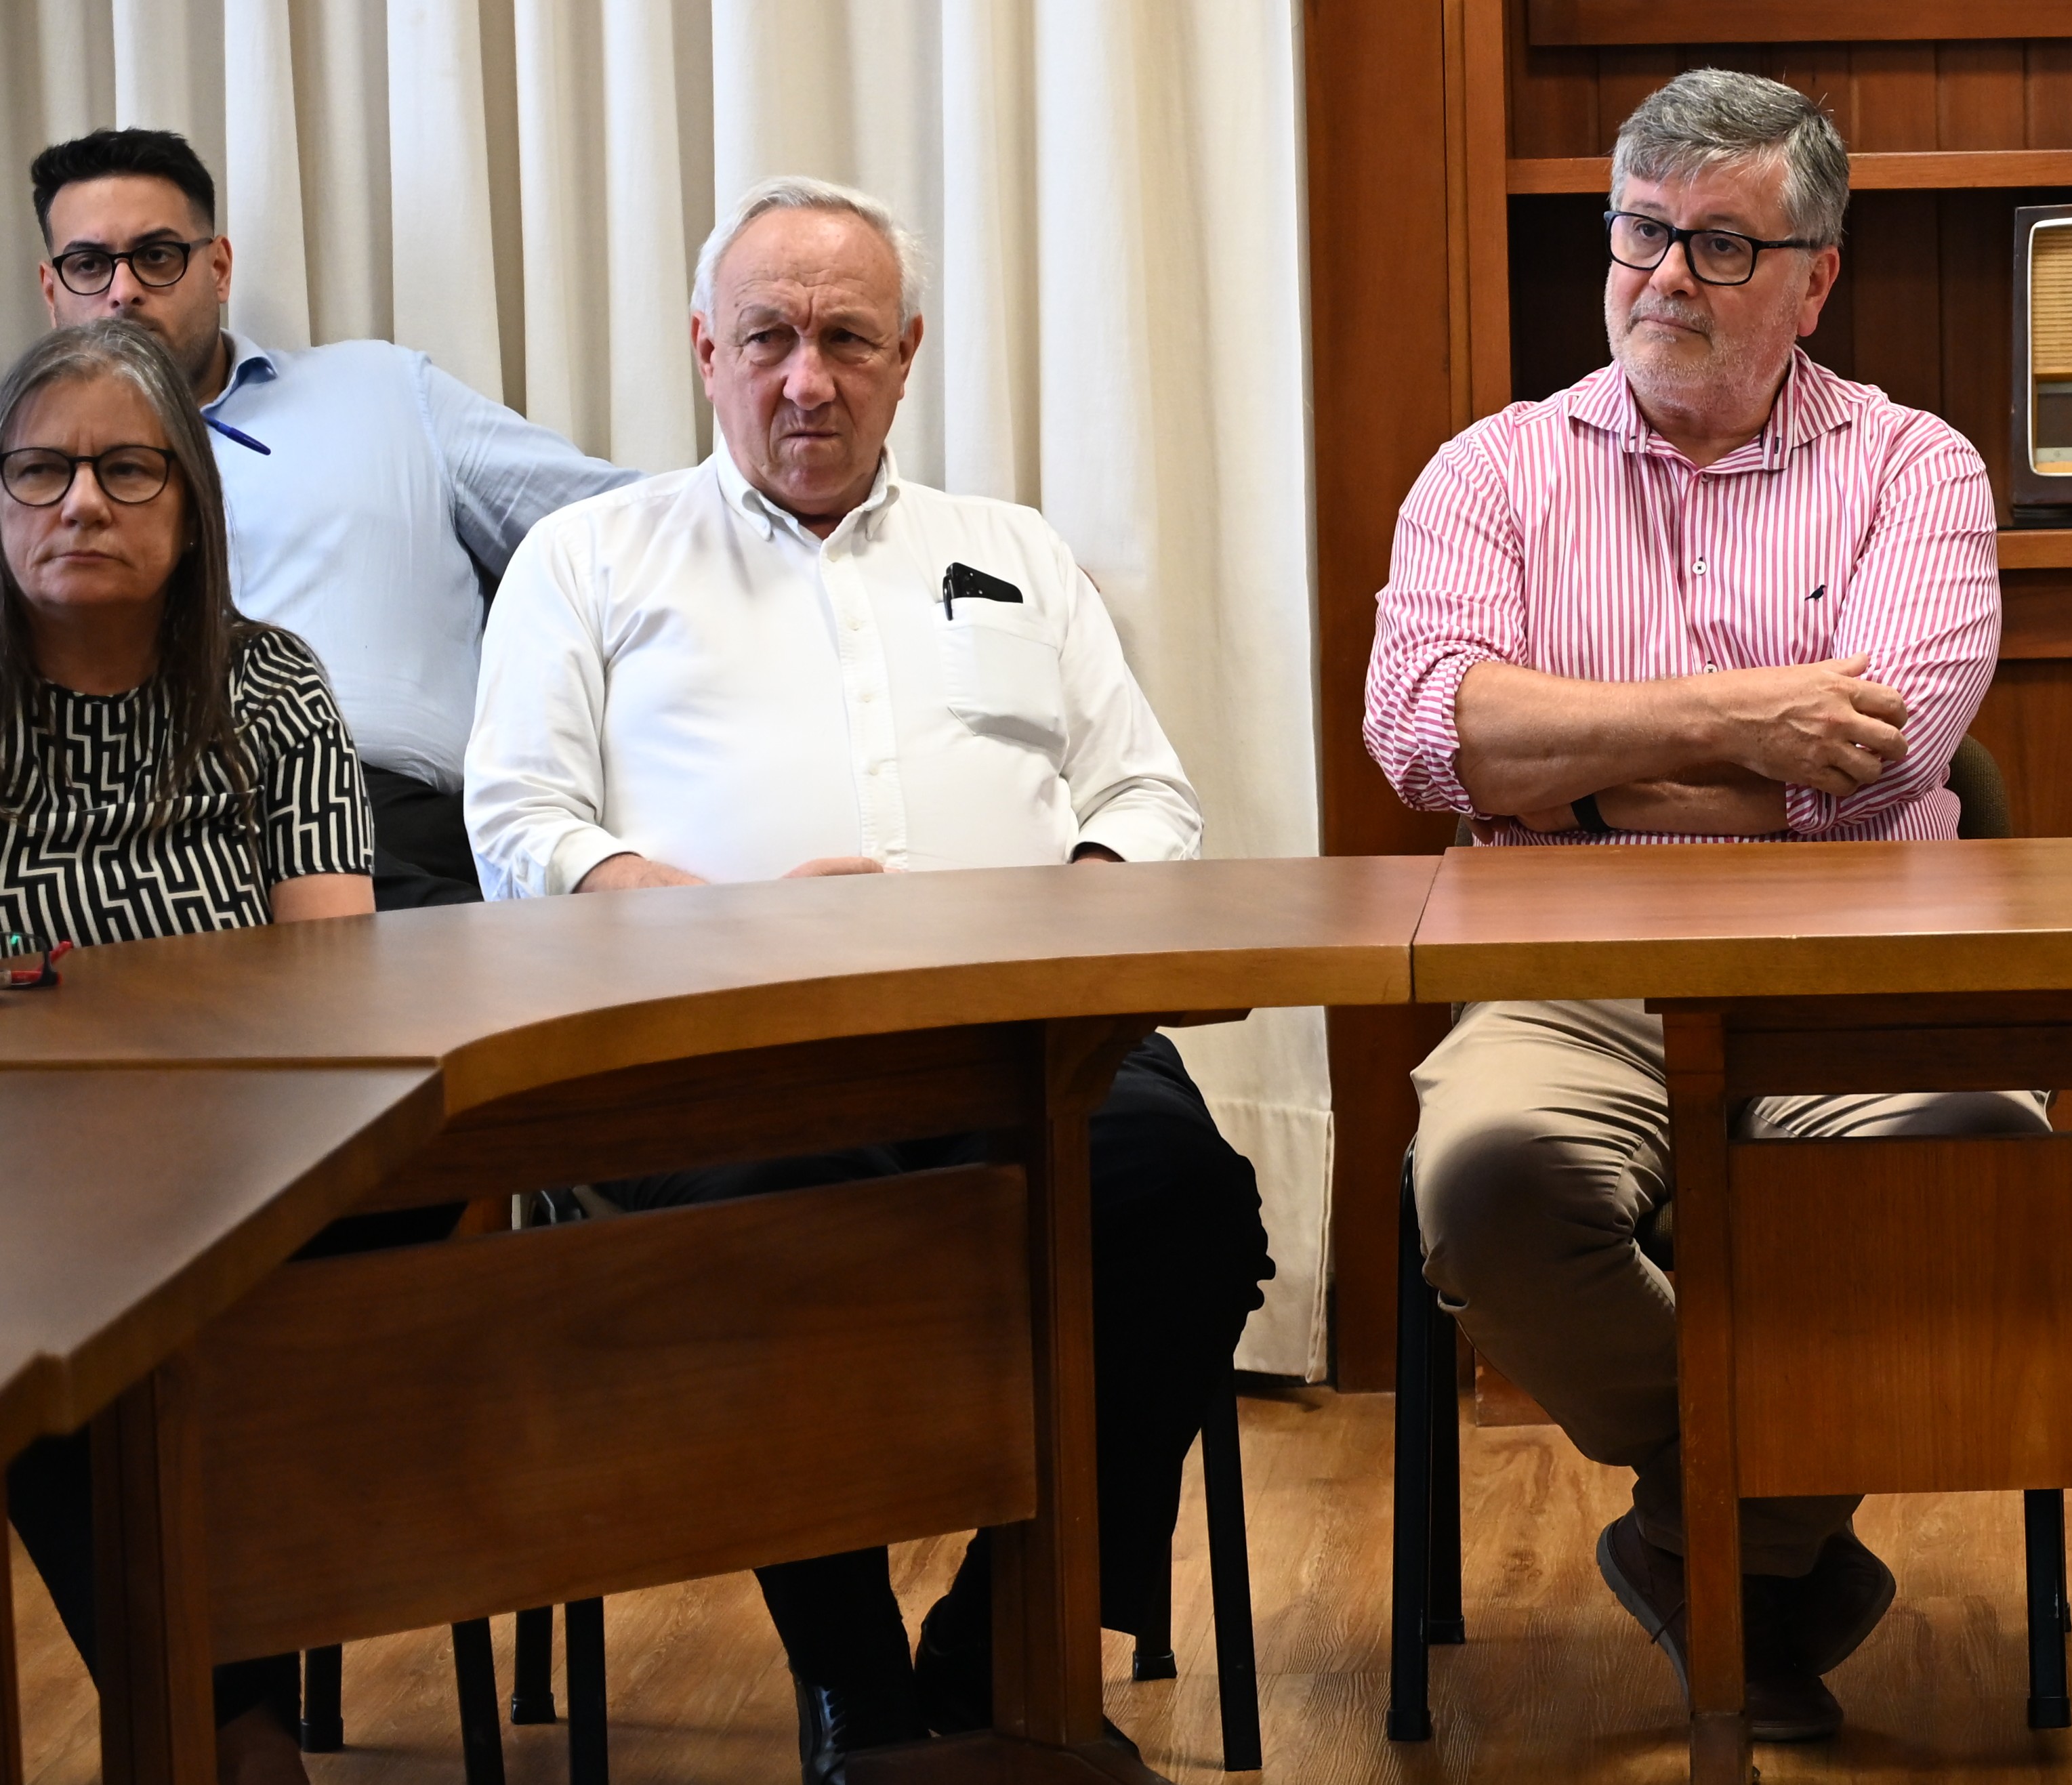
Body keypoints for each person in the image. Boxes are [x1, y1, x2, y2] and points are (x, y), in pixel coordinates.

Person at [463, 176, 1270, 1782]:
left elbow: (1145, 798)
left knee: (1186, 1198)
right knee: (775, 1217)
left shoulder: (1012, 550)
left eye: (845, 339)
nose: (806, 380)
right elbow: (523, 826)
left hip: (1024, 1030)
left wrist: (1062, 924)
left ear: (907, 354)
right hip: (721, 1048)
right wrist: (728, 927)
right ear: (706, 350)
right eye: (767, 338)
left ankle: (1002, 1639)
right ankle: (858, 1691)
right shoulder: (590, 556)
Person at [1362, 68, 2048, 1744]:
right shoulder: (1491, 473)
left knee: (1965, 1159)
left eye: (1723, 245)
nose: (1667, 276)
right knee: (1491, 1174)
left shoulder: (1916, 468)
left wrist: (1575, 770)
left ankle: (1700, 1543)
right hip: (1562, 965)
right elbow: (1427, 735)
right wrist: (1745, 718)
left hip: (1864, 965)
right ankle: (1759, 1530)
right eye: (1642, 234)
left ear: (1817, 277)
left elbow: (1882, 762)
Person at [0, 319, 373, 1785]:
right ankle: (232, 1730)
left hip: (238, 1164)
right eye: (40, 471)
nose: (81, 503)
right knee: (65, 1309)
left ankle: (211, 1730)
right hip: (25, 1183)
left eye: (126, 469)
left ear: (192, 498)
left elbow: (335, 984)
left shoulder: (270, 687)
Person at [30, 128, 633, 909]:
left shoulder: (384, 393)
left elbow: (623, 532)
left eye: (157, 256)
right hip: (123, 834)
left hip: (392, 828)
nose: (122, 292)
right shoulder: (26, 477)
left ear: (218, 268)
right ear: (51, 290)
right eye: (88, 265)